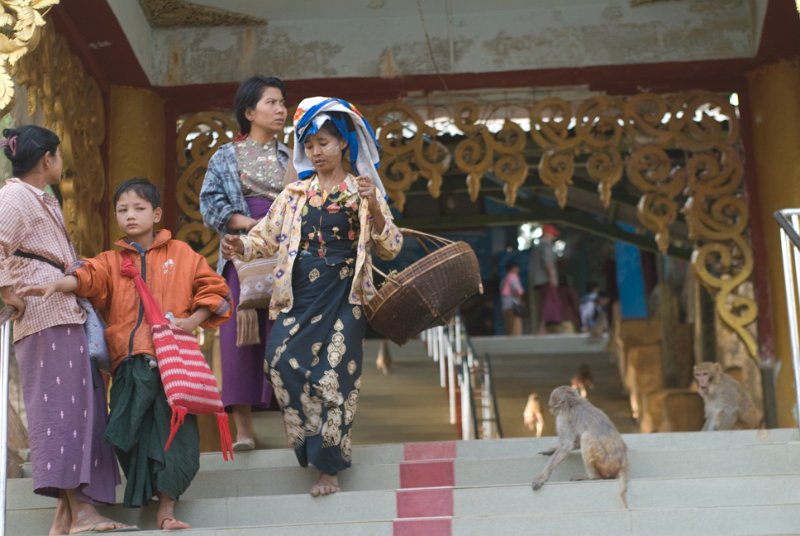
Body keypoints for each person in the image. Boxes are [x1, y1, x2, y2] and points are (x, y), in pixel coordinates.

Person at [23, 178, 233, 531]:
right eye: (122, 210)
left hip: (170, 367)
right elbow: (86, 277)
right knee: (125, 435)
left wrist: (189, 322)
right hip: (127, 367)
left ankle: (165, 509)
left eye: (138, 208)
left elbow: (217, 291)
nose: (130, 216)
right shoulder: (109, 260)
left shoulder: (183, 254)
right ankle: (146, 492)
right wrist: (60, 283)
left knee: (175, 439)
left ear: (157, 213)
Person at [221, 96, 403, 497]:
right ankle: (308, 438)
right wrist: (239, 247)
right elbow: (263, 239)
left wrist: (373, 202)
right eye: (310, 145)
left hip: (345, 298)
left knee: (336, 378)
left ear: (342, 144)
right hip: (298, 295)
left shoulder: (361, 191)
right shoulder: (293, 195)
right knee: (280, 363)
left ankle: (328, 468)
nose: (316, 151)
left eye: (324, 142)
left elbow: (391, 245)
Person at [0, 125, 130, 535]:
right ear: (46, 160)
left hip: (64, 311)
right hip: (42, 315)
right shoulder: (15, 197)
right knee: (62, 409)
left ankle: (66, 518)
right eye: (59, 156)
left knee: (81, 408)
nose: (62, 163)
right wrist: (8, 293)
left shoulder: (42, 198)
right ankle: (83, 513)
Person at [200, 75, 292, 452]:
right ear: (249, 111)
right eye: (272, 102)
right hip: (243, 253)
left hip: (287, 253)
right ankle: (243, 430)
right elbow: (211, 204)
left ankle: (294, 425)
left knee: (288, 337)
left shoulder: (293, 156)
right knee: (240, 338)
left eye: (283, 103)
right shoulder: (225, 156)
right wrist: (250, 224)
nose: (281, 109)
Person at [528, 224, 561, 334]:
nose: (554, 238)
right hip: (545, 280)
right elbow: (547, 263)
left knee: (542, 304)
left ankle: (541, 328)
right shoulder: (545, 245)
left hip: (538, 280)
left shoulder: (538, 246)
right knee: (547, 305)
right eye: (553, 235)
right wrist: (552, 278)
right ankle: (543, 328)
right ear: (547, 233)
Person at [500, 260, 525, 336]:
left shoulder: (504, 279)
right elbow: (516, 290)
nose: (518, 270)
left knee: (509, 329)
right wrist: (521, 301)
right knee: (516, 329)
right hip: (514, 306)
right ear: (513, 268)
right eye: (517, 268)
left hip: (505, 306)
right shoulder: (513, 277)